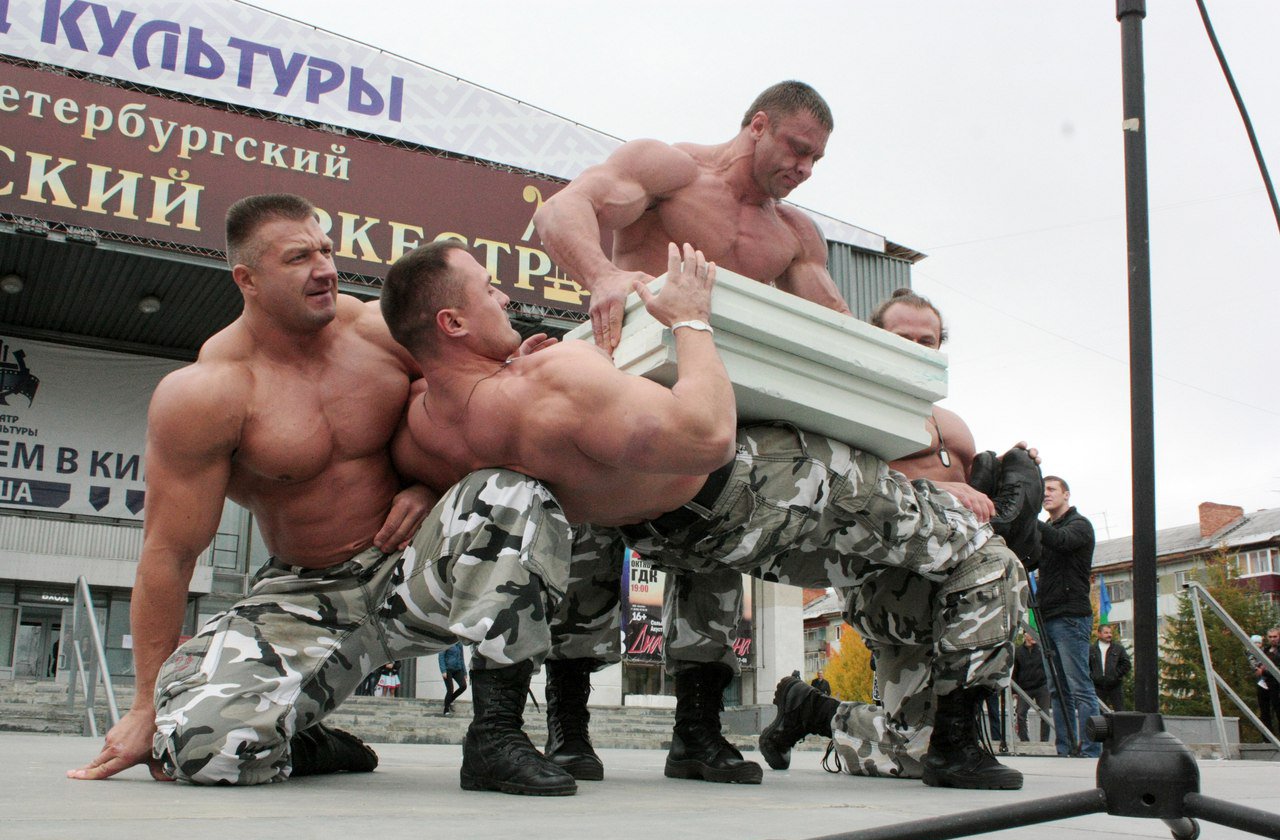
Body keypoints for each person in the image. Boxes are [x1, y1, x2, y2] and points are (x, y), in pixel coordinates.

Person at [382, 239, 1027, 792]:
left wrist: (417, 492)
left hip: (678, 531)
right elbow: (710, 434)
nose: (505, 299)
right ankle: (959, 746)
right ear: (453, 323)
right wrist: (692, 322)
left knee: (696, 568)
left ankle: (697, 734)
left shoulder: (425, 424)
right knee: (989, 558)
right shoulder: (554, 373)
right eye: (490, 290)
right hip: (760, 483)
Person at [68, 194, 579, 797]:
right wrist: (144, 705)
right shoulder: (208, 392)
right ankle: (302, 739)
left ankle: (496, 736)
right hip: (305, 593)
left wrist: (425, 483)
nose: (325, 269)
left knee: (510, 492)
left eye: (327, 250)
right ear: (247, 279)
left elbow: (462, 404)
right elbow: (169, 554)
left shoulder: (376, 331)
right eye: (299, 258)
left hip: (412, 567)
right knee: (194, 748)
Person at [532, 80, 858, 786]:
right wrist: (600, 275)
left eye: (815, 160)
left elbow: (837, 328)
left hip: (705, 409)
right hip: (621, 386)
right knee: (586, 552)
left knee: (712, 553)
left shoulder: (793, 233)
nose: (802, 169)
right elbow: (563, 209)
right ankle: (567, 729)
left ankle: (698, 734)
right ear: (757, 126)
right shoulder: (668, 170)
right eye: (796, 149)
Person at [760, 290, 1040, 782]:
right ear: (877, 341)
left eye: (926, 340)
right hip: (888, 587)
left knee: (912, 754)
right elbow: (843, 484)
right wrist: (934, 488)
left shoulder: (953, 423)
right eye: (902, 338)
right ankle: (957, 748)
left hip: (955, 593)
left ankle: (810, 710)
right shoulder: (851, 407)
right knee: (999, 569)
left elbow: (977, 512)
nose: (915, 347)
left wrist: (1011, 478)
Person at [1037, 475, 1101, 757]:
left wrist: (1029, 518)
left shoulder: (1079, 525)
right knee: (1056, 689)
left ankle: (1090, 749)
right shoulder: (1047, 529)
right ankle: (1065, 748)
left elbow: (1062, 541)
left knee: (1079, 686)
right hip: (1047, 614)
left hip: (1071, 615)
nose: (1046, 494)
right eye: (1042, 491)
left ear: (1066, 494)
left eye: (1051, 489)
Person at [1013, 631, 1051, 742]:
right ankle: (1024, 740)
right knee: (1020, 714)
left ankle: (1044, 740)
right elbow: (1014, 671)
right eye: (1031, 634)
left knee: (1045, 715)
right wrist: (1014, 691)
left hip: (1041, 686)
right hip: (1024, 688)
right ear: (1025, 635)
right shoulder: (1018, 651)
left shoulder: (1041, 650)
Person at [1089, 623, 1131, 711]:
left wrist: (1115, 675)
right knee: (1098, 711)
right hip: (1097, 686)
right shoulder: (1091, 649)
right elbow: (1086, 665)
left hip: (1115, 685)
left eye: (1110, 633)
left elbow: (1126, 664)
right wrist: (1093, 677)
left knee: (1120, 711)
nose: (1109, 635)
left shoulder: (1118, 649)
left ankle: (1119, 725)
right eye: (1106, 633)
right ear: (1099, 634)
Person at [1256, 628, 1280, 735]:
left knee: (1278, 709)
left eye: (1275, 636)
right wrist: (1258, 670)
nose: (1273, 639)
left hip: (1276, 683)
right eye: (1270, 637)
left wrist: (1265, 670)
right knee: (1264, 711)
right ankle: (1267, 738)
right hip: (1264, 683)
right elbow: (1258, 665)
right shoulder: (1265, 650)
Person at [440, 642, 469, 716]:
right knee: (450, 689)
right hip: (448, 669)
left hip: (457, 669)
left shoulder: (459, 644)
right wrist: (443, 670)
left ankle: (449, 700)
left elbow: (462, 658)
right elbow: (441, 656)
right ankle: (446, 710)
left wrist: (464, 672)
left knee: (463, 686)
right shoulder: (446, 642)